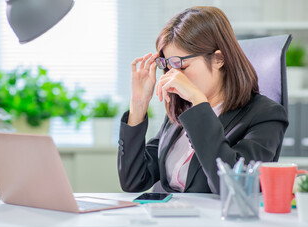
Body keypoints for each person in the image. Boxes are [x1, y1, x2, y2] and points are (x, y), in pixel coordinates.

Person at [117, 6, 288, 194]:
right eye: (168, 66)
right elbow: (134, 181)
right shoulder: (181, 109)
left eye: (181, 65)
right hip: (165, 218)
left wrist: (199, 104)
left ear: (218, 58)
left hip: (213, 221)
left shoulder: (266, 114)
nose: (174, 76)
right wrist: (139, 105)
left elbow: (234, 188)